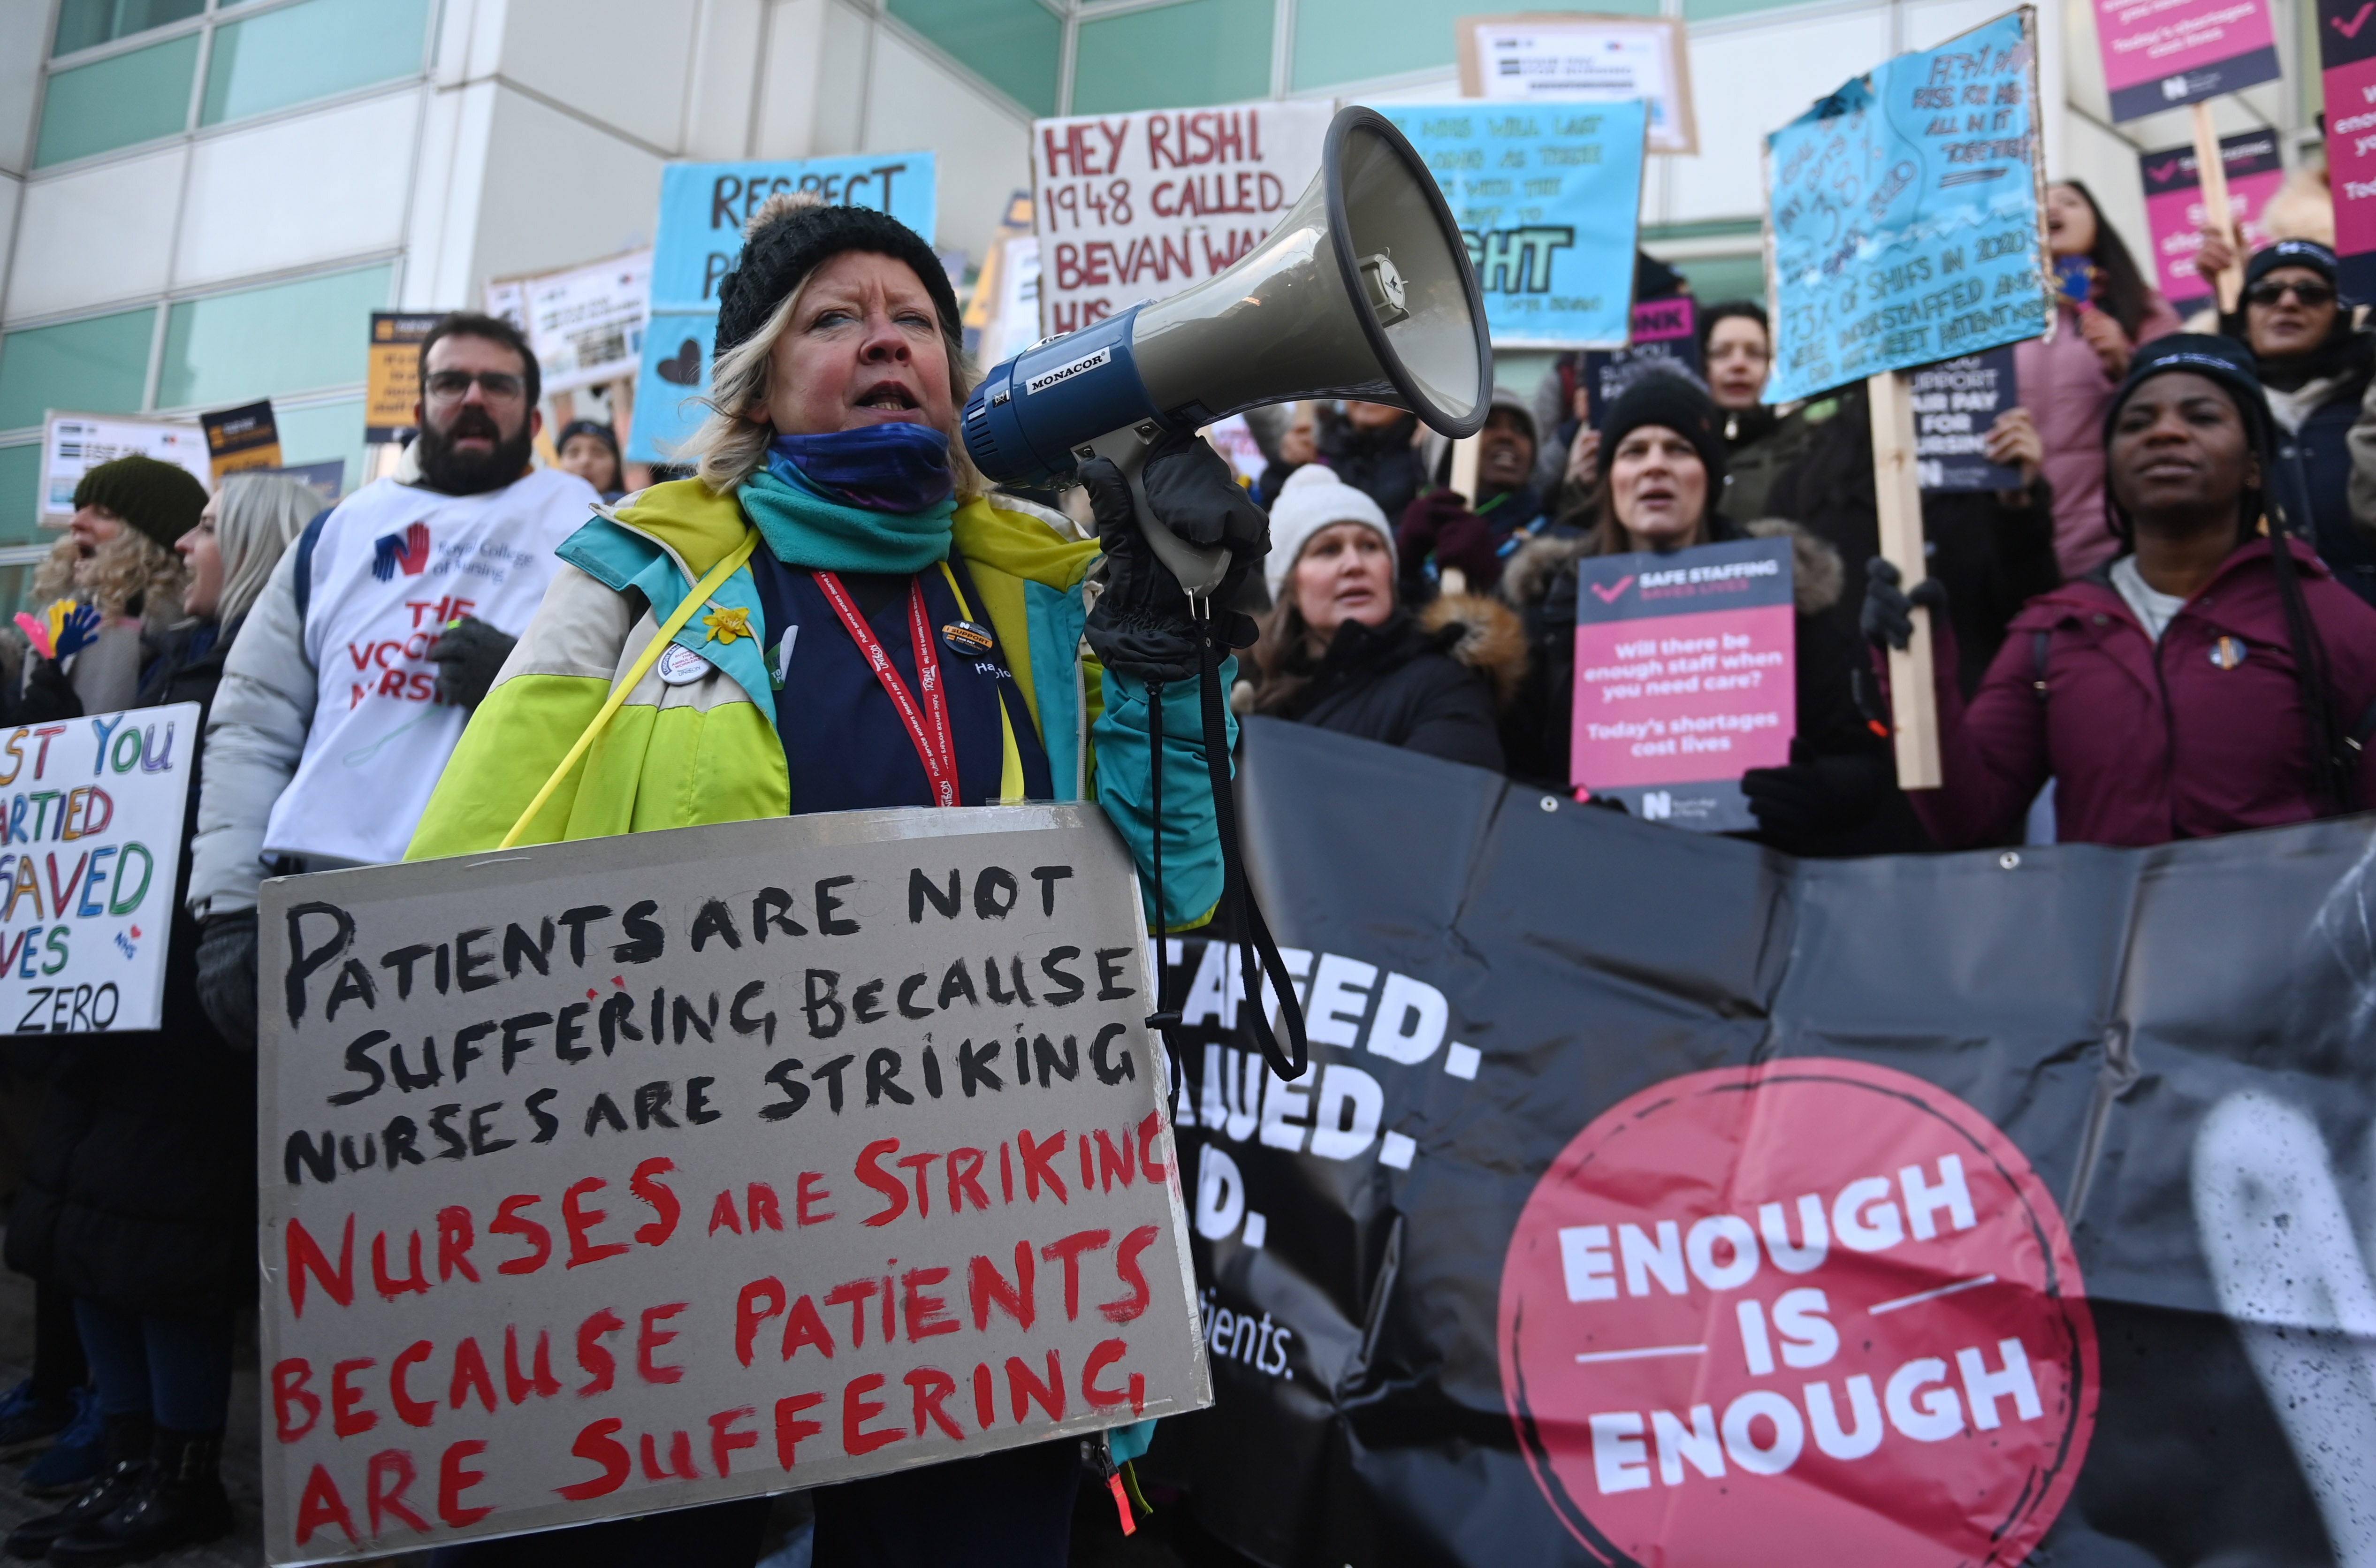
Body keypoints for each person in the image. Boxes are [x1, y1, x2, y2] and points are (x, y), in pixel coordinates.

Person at [404, 190, 1254, 1567]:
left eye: (913, 320)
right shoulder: (635, 580)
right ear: (757, 380)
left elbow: (1167, 888)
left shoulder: (1039, 598)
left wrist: (1176, 657)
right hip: (679, 1227)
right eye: (836, 319)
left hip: (970, 1237)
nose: (884, 341)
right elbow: (456, 898)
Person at [2, 472, 317, 1565]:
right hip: (112, 993)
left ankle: (174, 1473)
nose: (188, 543)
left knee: (153, 1246)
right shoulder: (168, 648)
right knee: (84, 1232)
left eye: (208, 530)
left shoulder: (260, 677)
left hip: (188, 1007)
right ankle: (124, 1455)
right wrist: (48, 651)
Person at [184, 312, 596, 1050]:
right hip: (325, 904)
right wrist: (229, 907)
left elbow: (634, 710)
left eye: (497, 384)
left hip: (508, 915)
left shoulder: (593, 525)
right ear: (418, 408)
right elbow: (254, 722)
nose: (473, 397)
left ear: (533, 416)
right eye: (450, 381)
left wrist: (519, 680)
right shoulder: (337, 533)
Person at [1866, 334, 2376, 846]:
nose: (2166, 434)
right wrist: (1915, 669)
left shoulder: (2334, 623)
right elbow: (1969, 818)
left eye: (2202, 418)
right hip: (2106, 927)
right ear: (2110, 464)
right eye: (2137, 423)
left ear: (2254, 467)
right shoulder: (2054, 630)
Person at [1500, 378, 1899, 855]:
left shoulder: (1785, 598)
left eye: (1679, 449)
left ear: (1708, 476)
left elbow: (1862, 761)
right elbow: (1505, 775)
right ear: (1610, 478)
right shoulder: (1550, 610)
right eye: (1633, 452)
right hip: (1594, 877)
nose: (1655, 466)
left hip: (1750, 879)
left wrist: (1815, 791)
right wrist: (1558, 808)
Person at [1764, 381, 2061, 698]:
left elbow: (2037, 617)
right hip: (1854, 724)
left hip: (1979, 714)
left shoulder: (1993, 474)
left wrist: (2018, 510)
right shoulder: (1804, 487)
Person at [1244, 464, 1520, 769]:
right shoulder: (1240, 699)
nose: (1355, 564)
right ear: (1290, 588)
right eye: (1328, 550)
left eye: (1370, 546)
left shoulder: (1443, 683)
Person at [2018, 180, 2184, 579]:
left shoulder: (2144, 311)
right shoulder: (1995, 318)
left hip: (2109, 539)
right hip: (2011, 534)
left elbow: (2182, 406)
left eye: (2070, 202)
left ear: (2099, 225)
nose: (2053, 208)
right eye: (2040, 201)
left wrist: (2124, 361)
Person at [2216, 240, 2376, 606]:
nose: (2288, 303)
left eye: (2312, 293)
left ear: (2340, 316)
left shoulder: (2370, 402)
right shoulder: (2223, 411)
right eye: (2266, 293)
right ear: (2244, 317)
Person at [8, 456, 202, 722]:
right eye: (80, 509)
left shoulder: (177, 633)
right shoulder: (63, 608)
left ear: (150, 543)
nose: (76, 521)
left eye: (104, 514)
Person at [1395, 387, 1551, 600]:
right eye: (1487, 424)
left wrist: (1491, 582)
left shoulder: (1561, 542)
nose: (1507, 436)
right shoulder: (1400, 541)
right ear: (1448, 453)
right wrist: (1402, 570)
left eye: (1521, 429)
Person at [1695, 301, 1817, 525]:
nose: (1739, 365)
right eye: (1721, 353)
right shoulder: (1679, 452)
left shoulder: (1809, 452)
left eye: (1755, 354)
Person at [1315, 399, 1428, 525]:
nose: (1369, 394)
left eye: (1388, 383)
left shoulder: (1427, 455)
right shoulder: (1319, 454)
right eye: (1356, 383)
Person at [554, 417, 625, 500]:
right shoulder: (544, 510)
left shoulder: (633, 510)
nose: (585, 461)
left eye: (598, 453)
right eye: (573, 452)